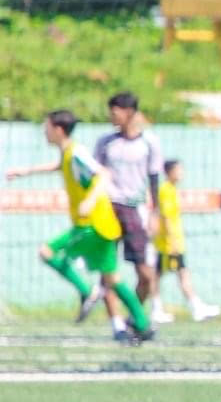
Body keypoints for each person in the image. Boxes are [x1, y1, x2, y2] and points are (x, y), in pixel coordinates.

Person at [5, 109, 155, 343]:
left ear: (58, 129)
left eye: (46, 127)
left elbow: (102, 174)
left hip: (92, 225)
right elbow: (60, 167)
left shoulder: (76, 152)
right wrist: (26, 171)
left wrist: (90, 199)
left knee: (47, 252)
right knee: (113, 278)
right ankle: (143, 324)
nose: (44, 132)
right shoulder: (68, 154)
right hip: (104, 225)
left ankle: (87, 292)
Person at [95, 92, 165, 312]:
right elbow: (95, 175)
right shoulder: (105, 142)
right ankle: (116, 324)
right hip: (108, 208)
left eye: (114, 112)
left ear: (129, 113)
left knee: (145, 274)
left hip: (134, 210)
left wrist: (155, 214)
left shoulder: (149, 142)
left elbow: (154, 179)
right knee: (107, 272)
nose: (111, 116)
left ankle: (134, 317)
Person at [152, 158, 221, 324]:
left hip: (170, 242)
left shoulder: (171, 190)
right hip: (169, 244)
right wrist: (172, 240)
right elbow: (166, 217)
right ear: (169, 172)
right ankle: (195, 308)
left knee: (157, 276)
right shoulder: (166, 190)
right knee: (180, 274)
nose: (181, 173)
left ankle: (157, 309)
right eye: (178, 170)